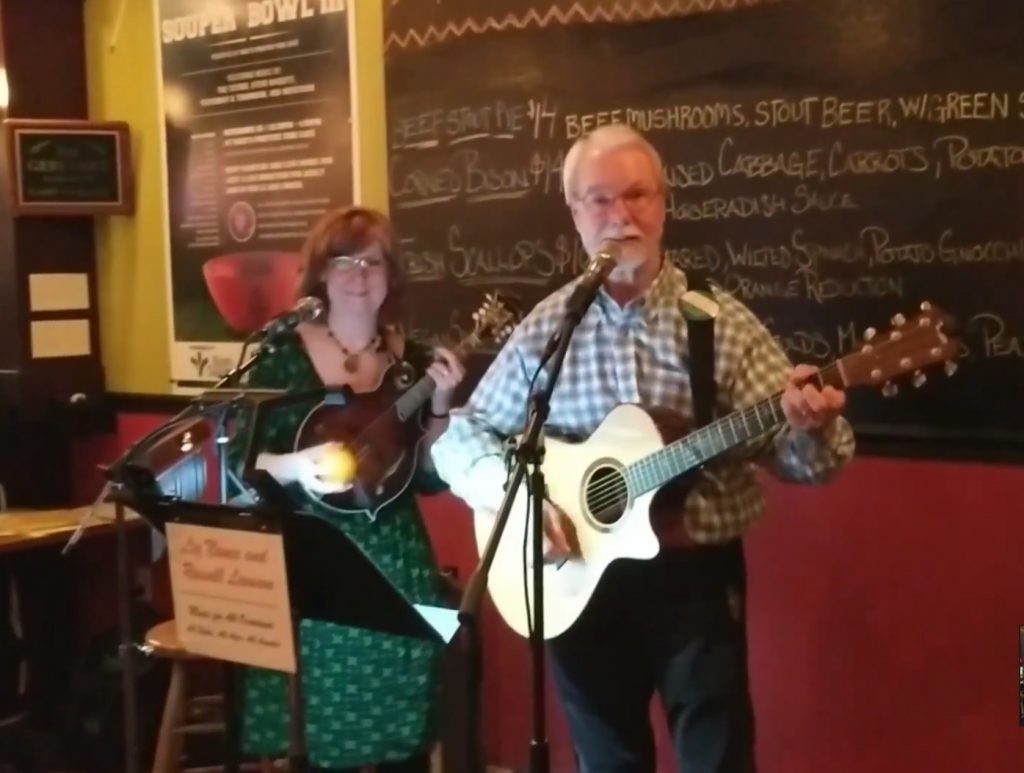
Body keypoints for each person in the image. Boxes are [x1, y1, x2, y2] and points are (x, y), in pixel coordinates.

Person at [430, 124, 855, 773]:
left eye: (636, 195)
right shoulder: (550, 326)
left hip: (693, 585)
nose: (620, 215)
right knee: (607, 760)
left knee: (716, 756)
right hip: (574, 580)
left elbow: (812, 463)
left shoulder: (718, 323)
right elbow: (459, 439)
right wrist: (518, 501)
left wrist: (810, 423)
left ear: (663, 204)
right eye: (598, 200)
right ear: (574, 214)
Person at [229, 205, 465, 772]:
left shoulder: (414, 362)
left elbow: (429, 477)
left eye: (373, 261)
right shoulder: (281, 356)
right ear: (320, 274)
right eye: (344, 261)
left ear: (391, 275)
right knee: (311, 732)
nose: (359, 274)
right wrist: (295, 463)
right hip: (312, 563)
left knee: (402, 735)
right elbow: (241, 458)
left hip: (394, 564)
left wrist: (438, 407)